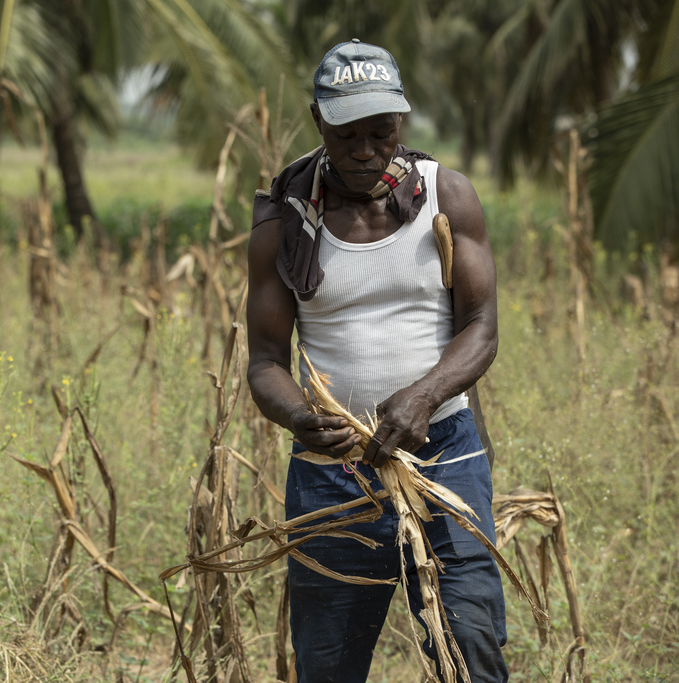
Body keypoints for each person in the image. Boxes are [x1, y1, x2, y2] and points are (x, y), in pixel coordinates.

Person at [246, 40, 507, 682]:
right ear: (317, 122)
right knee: (329, 665)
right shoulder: (285, 218)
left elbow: (481, 327)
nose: (364, 149)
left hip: (444, 456)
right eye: (346, 133)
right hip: (333, 472)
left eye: (381, 131)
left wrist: (424, 395)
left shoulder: (447, 195)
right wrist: (300, 417)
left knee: (470, 645)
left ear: (402, 123)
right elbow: (264, 363)